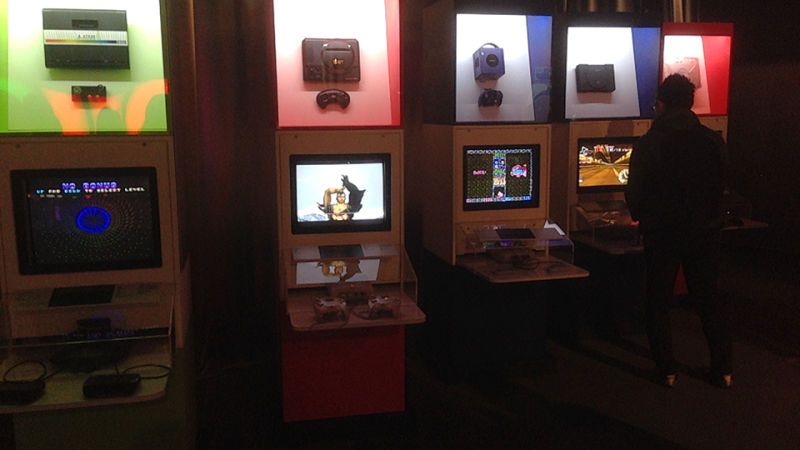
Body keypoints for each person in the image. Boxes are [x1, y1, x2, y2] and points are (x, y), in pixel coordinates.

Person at [626, 74, 732, 388]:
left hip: (663, 231)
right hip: (705, 230)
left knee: (658, 299)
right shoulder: (712, 139)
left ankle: (667, 370)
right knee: (708, 299)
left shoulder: (650, 142)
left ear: (661, 104)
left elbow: (636, 190)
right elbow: (723, 182)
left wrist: (641, 218)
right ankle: (723, 370)